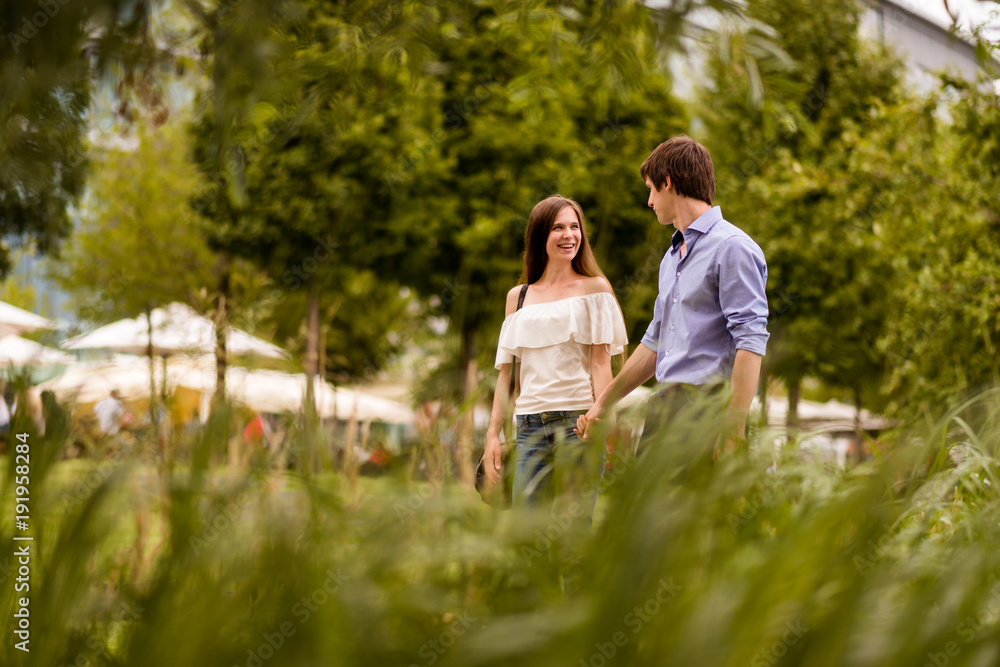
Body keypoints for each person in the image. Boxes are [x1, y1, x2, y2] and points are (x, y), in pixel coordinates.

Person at [576, 136, 769, 454]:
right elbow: (655, 342)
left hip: (709, 410)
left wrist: (732, 429)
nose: (649, 201)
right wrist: (603, 404)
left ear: (668, 182)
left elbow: (750, 340)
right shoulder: (672, 257)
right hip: (665, 407)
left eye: (651, 189)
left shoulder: (732, 248)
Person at [482, 195, 628, 515]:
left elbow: (600, 364)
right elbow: (507, 376)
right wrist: (493, 435)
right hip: (528, 429)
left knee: (573, 536)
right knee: (525, 536)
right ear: (539, 236)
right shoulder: (517, 298)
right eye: (558, 227)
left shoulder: (595, 289)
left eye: (575, 227)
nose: (569, 235)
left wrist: (607, 424)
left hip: (578, 425)